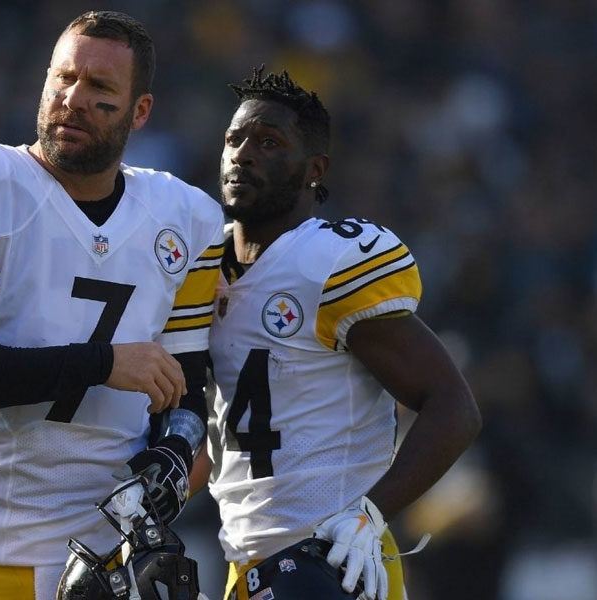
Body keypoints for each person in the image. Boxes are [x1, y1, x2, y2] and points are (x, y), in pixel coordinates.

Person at [0, 10, 224, 600]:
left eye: (100, 89)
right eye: (64, 78)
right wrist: (104, 363)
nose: (74, 98)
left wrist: (174, 446)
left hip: (114, 549)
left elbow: (183, 385)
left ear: (140, 111)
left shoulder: (186, 218)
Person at [192, 67, 482, 600]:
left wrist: (370, 514)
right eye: (234, 139)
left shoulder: (327, 265)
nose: (244, 153)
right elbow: (224, 428)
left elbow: (454, 405)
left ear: (313, 170)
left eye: (269, 141)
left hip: (330, 563)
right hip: (243, 564)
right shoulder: (200, 266)